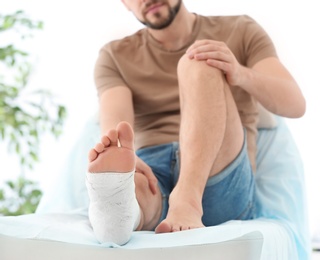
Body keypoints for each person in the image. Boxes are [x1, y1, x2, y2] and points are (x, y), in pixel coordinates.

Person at [85, 0, 306, 245]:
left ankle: (187, 198)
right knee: (134, 187)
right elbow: (117, 124)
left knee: (200, 58)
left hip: (222, 171)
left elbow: (295, 104)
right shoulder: (114, 56)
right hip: (154, 170)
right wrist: (123, 154)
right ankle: (121, 211)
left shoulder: (241, 29)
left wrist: (239, 73)